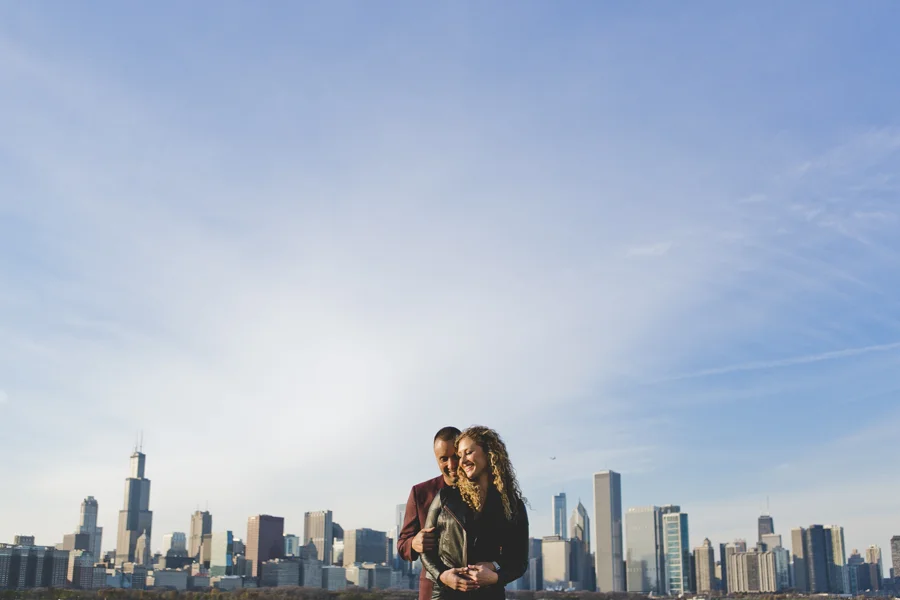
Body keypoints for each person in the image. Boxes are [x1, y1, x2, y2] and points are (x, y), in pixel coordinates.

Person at [420, 426, 529, 599]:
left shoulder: (512, 505)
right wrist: (443, 576)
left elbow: (519, 562)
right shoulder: (445, 497)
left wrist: (494, 575)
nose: (462, 461)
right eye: (460, 455)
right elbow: (425, 550)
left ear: (489, 453)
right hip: (446, 595)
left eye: (468, 453)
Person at [399, 426, 461, 600]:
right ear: (436, 459)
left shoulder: (482, 491)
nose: (451, 464)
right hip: (433, 589)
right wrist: (414, 543)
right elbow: (402, 545)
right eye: (444, 459)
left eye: (456, 456)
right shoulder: (421, 493)